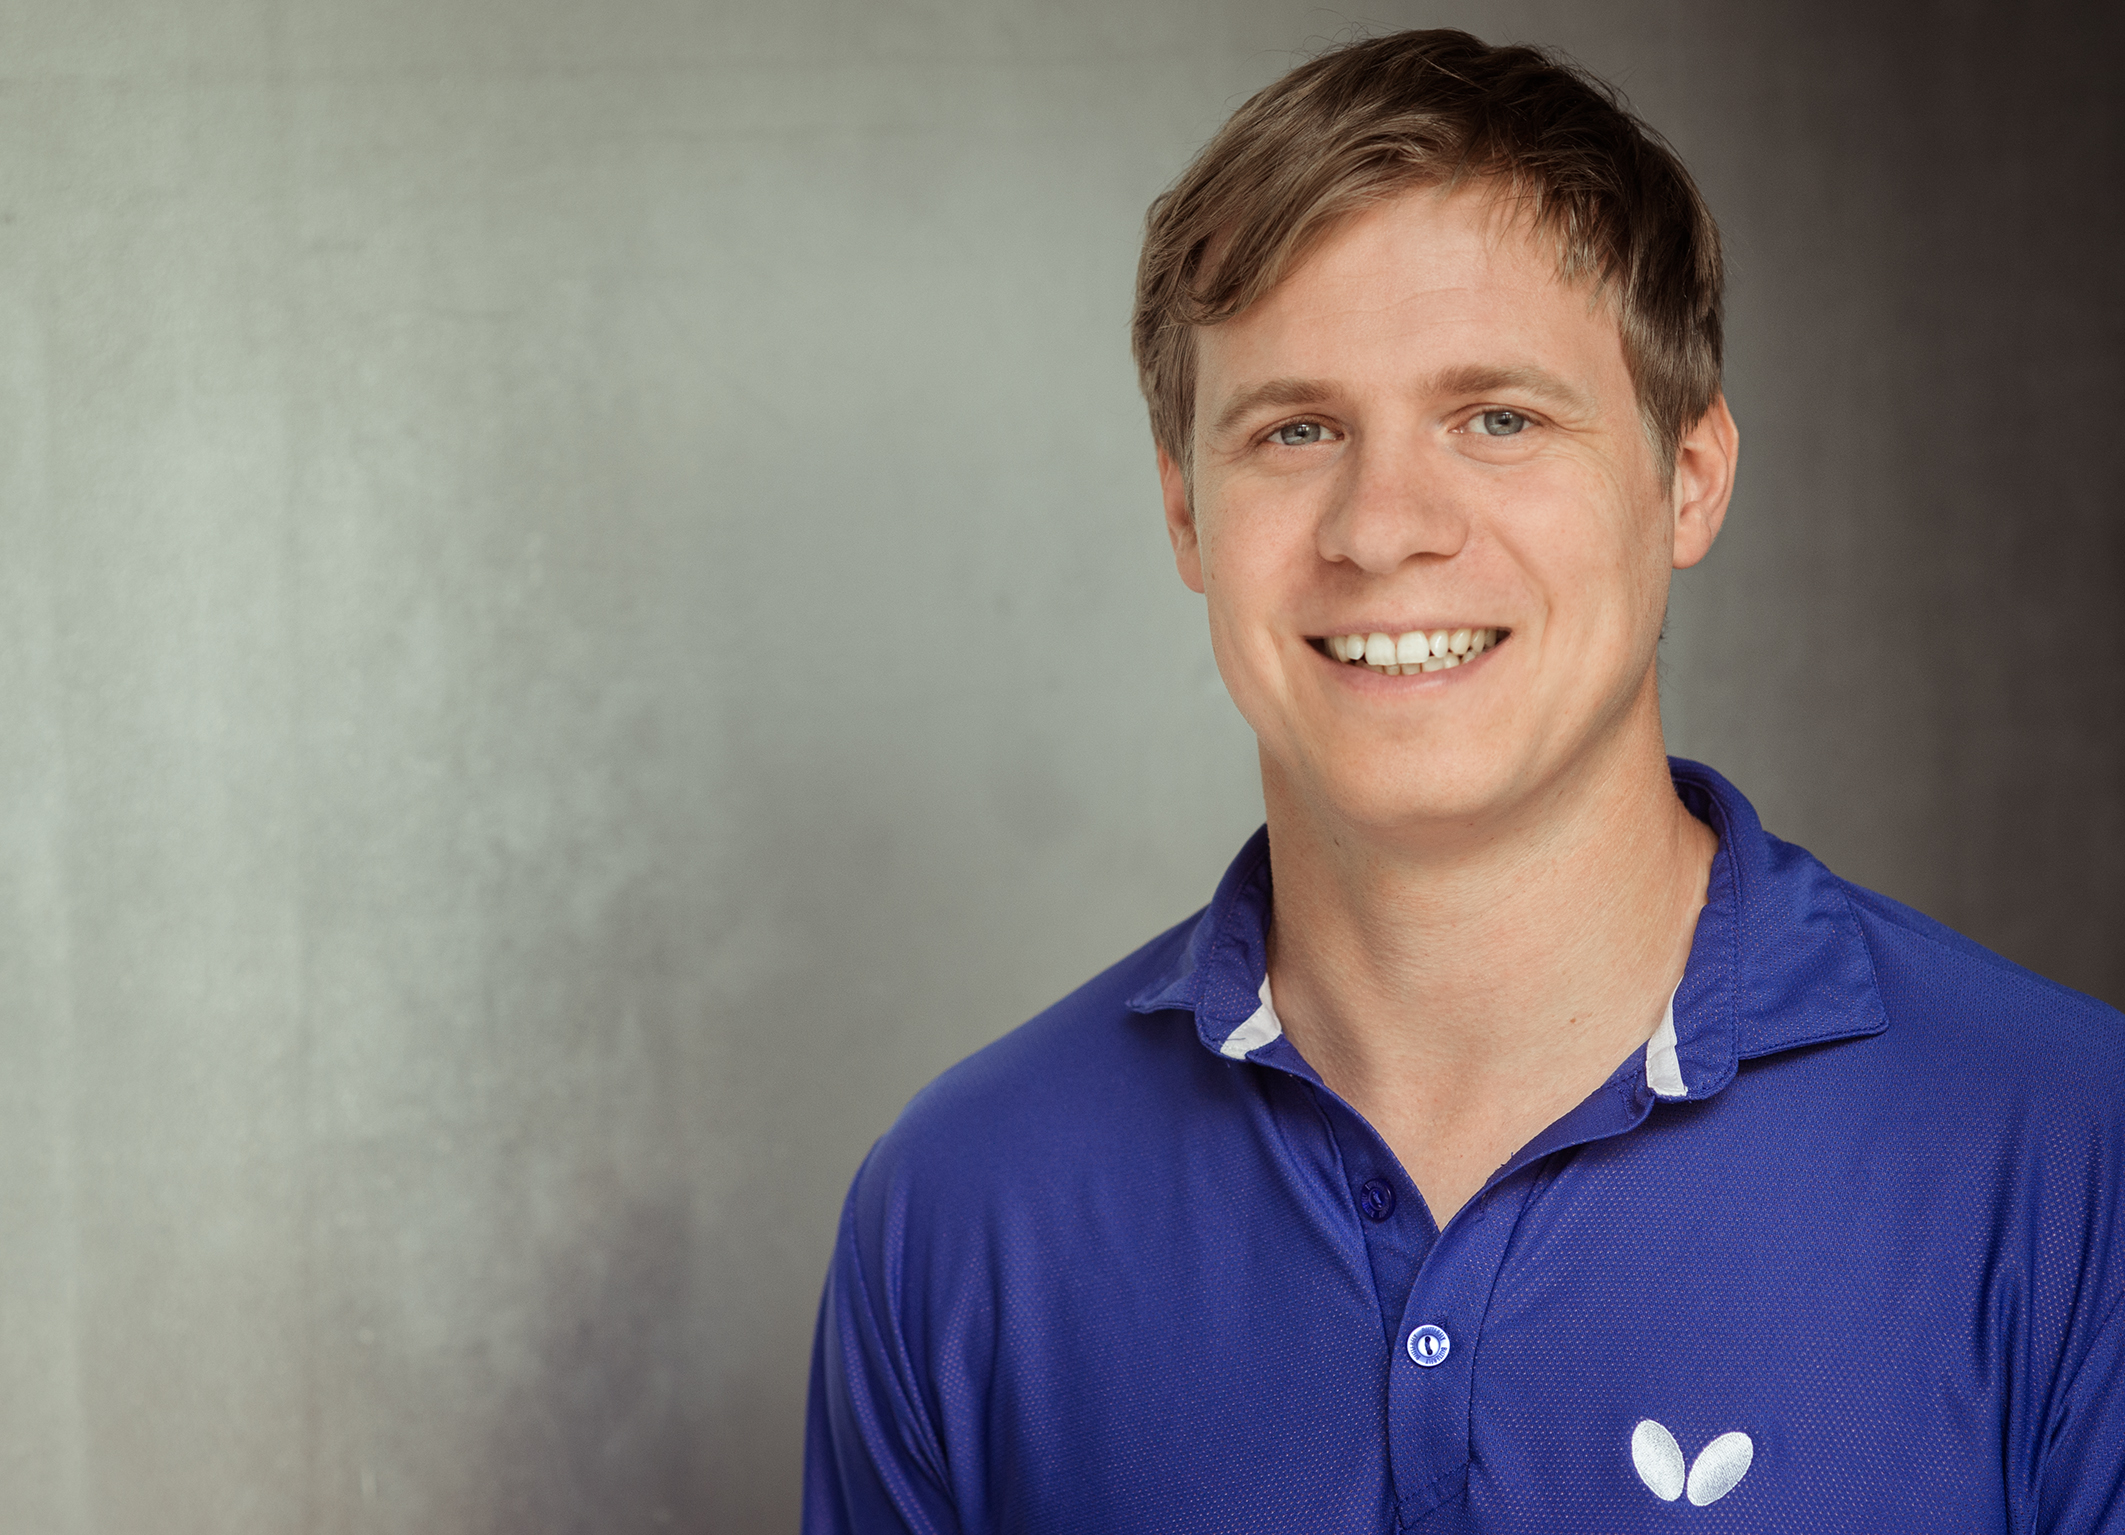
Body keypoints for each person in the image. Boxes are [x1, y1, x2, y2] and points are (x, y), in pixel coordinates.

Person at [803, 29, 2125, 1532]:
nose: (1384, 527)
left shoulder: (2073, 1163)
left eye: (1499, 419)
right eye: (1296, 430)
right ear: (1184, 514)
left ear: (1686, 478)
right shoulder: (958, 1212)